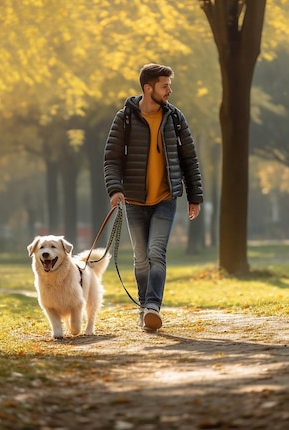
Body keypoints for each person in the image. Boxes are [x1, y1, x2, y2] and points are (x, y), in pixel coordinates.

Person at [103, 63, 203, 331]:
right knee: (140, 257)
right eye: (164, 85)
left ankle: (152, 307)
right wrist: (115, 190)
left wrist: (195, 196)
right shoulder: (124, 118)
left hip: (165, 198)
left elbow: (189, 159)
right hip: (134, 200)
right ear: (148, 88)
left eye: (169, 85)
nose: (169, 90)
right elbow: (111, 159)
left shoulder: (175, 118)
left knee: (156, 252)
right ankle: (144, 307)